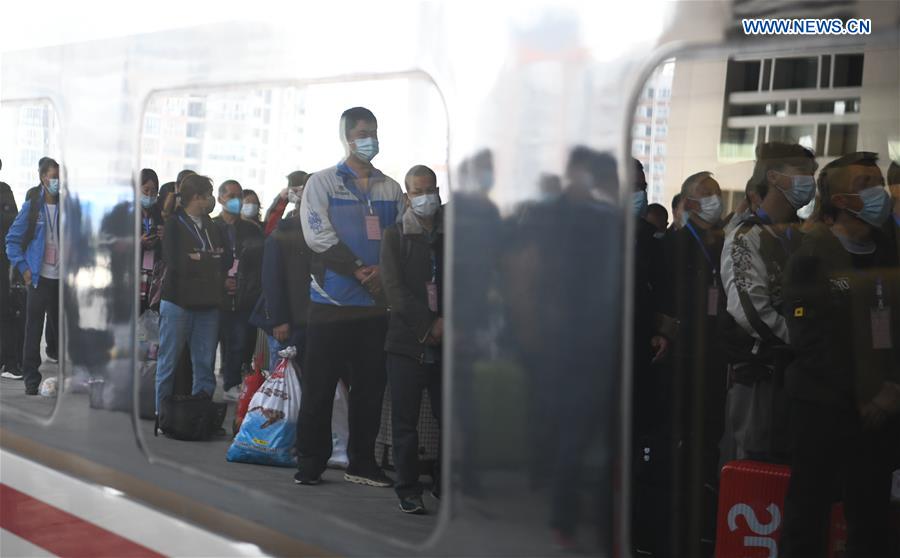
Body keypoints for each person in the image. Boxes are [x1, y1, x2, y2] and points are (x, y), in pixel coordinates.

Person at [780, 152, 900, 557]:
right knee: (808, 515)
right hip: (823, 407)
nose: (880, 192)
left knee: (871, 518)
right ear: (843, 200)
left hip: (882, 409)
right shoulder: (811, 257)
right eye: (867, 183)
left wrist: (891, 387)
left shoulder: (890, 252)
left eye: (879, 181)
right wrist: (864, 393)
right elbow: (809, 341)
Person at [295, 106, 403, 487]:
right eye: (361, 132)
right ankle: (310, 461)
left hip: (375, 308)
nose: (369, 139)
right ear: (346, 137)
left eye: (373, 131)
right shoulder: (322, 182)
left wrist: (382, 276)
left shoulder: (391, 187)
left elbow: (400, 240)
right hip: (330, 304)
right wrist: (358, 268)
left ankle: (362, 462)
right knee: (320, 389)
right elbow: (318, 235)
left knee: (370, 392)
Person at [720, 142, 818, 463]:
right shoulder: (746, 237)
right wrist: (805, 340)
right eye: (803, 173)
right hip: (761, 377)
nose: (810, 181)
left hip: (799, 375)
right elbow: (752, 313)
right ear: (775, 178)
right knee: (757, 466)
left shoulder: (800, 237)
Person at [661, 170, 727, 555]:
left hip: (715, 355)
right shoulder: (676, 244)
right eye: (707, 194)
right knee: (682, 437)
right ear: (688, 203)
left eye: (717, 193)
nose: (715, 200)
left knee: (710, 438)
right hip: (684, 355)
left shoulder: (722, 242)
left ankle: (704, 509)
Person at [380, 165, 444, 514]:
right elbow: (394, 289)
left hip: (447, 341)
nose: (425, 198)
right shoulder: (395, 235)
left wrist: (446, 323)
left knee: (447, 417)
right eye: (417, 192)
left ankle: (444, 485)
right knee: (405, 422)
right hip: (406, 342)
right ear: (407, 196)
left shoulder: (451, 236)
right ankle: (408, 489)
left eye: (430, 190)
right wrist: (428, 324)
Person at [155, 174, 225, 413]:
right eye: (208, 196)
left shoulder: (212, 226)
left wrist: (199, 257)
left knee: (205, 365)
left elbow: (223, 259)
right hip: (178, 302)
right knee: (168, 361)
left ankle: (200, 414)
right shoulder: (175, 223)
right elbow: (176, 263)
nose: (211, 201)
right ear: (197, 197)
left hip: (208, 304)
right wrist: (207, 259)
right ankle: (162, 413)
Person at [5, 158, 61, 395]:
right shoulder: (32, 207)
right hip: (38, 279)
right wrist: (24, 268)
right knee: (33, 330)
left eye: (60, 177)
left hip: (61, 279)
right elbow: (12, 241)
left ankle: (67, 378)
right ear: (43, 178)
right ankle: (31, 379)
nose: (58, 181)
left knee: (63, 332)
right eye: (54, 176)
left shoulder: (68, 207)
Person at [251, 181, 312, 371]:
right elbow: (272, 280)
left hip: (309, 319)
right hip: (286, 324)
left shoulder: (322, 234)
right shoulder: (283, 234)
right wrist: (279, 320)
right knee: (283, 383)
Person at [212, 180, 264, 400]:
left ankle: (232, 384)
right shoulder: (211, 227)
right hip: (216, 296)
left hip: (244, 296)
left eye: (239, 195)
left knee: (240, 342)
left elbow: (259, 264)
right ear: (220, 198)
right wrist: (221, 280)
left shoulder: (252, 230)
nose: (236, 200)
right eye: (231, 195)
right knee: (211, 341)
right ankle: (203, 386)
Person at [1, 158, 24, 380]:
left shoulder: (4, 191)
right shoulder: (5, 191)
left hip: (4, 263)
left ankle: (9, 363)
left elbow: (11, 224)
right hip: (6, 262)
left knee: (6, 313)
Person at [139, 169, 163, 314]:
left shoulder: (159, 215)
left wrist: (164, 237)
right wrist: (138, 242)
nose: (149, 195)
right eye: (146, 190)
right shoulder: (125, 212)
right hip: (132, 277)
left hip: (152, 277)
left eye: (154, 191)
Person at [264, 171, 310, 236]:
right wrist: (281, 200)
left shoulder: (310, 214)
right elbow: (270, 229)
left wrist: (280, 201)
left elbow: (270, 230)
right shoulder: (291, 215)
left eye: (295, 190)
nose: (290, 192)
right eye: (289, 189)